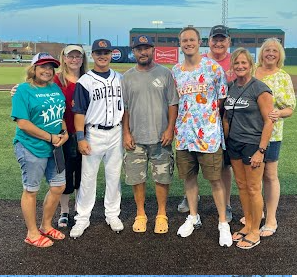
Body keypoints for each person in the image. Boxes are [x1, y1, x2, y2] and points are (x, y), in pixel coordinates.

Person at [172, 26, 232, 247]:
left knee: (216, 180)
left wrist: (212, 123)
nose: (188, 43)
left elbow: (222, 101)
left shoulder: (213, 69)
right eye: (184, 40)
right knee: (189, 178)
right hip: (184, 135)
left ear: (200, 42)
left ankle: (223, 223)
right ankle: (193, 216)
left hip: (209, 136)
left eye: (192, 40)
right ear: (181, 44)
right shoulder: (175, 70)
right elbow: (175, 102)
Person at [122, 35, 178, 234]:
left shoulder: (165, 73)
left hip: (160, 136)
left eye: (146, 48)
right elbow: (125, 108)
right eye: (139, 49)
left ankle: (161, 214)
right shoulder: (127, 77)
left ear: (153, 50)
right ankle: (140, 214)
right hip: (136, 138)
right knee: (137, 178)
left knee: (162, 177)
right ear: (134, 51)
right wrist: (126, 133)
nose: (143, 52)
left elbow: (173, 103)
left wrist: (170, 128)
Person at [11, 52, 69, 248]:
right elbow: (23, 124)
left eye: (50, 67)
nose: (47, 70)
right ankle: (32, 233)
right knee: (31, 190)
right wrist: (50, 137)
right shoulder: (24, 91)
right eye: (42, 66)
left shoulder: (55, 88)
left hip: (55, 147)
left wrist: (65, 132)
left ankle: (45, 225)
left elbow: (60, 114)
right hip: (31, 147)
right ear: (33, 69)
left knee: (58, 186)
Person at [70, 39, 124, 238]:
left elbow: (125, 109)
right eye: (98, 52)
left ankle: (112, 214)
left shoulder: (120, 78)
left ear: (111, 54)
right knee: (88, 177)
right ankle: (82, 218)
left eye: (106, 52)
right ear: (92, 55)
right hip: (94, 133)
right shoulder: (85, 81)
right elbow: (79, 112)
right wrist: (81, 138)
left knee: (113, 176)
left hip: (116, 132)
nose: (103, 56)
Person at [223, 47, 274, 249]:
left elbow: (269, 122)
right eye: (237, 63)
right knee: (242, 186)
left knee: (254, 188)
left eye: (244, 63)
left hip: (253, 144)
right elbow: (226, 116)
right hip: (234, 143)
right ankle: (248, 224)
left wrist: (261, 151)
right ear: (232, 66)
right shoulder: (231, 86)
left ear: (250, 65)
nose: (240, 66)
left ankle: (255, 231)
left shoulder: (259, 88)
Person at [255, 38, 296, 236]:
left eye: (275, 51)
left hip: (272, 133)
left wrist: (279, 113)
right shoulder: (253, 71)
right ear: (261, 53)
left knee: (269, 175)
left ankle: (271, 218)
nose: (270, 53)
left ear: (280, 55)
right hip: (249, 132)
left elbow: (290, 108)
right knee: (253, 175)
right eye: (267, 50)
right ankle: (257, 212)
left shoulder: (283, 76)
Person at [54, 45, 88, 228]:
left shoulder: (88, 79)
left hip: (85, 134)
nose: (74, 60)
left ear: (83, 59)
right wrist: (18, 90)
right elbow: (36, 90)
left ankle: (80, 210)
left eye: (78, 56)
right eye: (71, 56)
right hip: (64, 134)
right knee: (65, 174)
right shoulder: (56, 80)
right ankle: (64, 211)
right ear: (64, 58)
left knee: (83, 174)